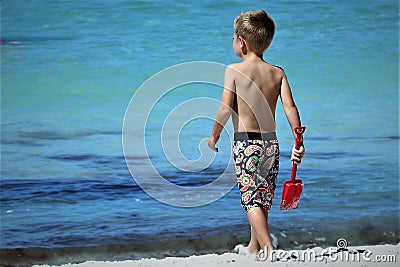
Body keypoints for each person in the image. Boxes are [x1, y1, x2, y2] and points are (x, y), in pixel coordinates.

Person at [208, 10, 305, 261]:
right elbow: (290, 108)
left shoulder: (234, 70)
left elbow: (225, 108)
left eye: (233, 38)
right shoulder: (277, 72)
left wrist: (213, 136)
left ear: (242, 41)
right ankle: (254, 246)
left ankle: (269, 248)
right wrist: (299, 139)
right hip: (271, 144)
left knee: (250, 199)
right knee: (263, 195)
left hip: (246, 143)